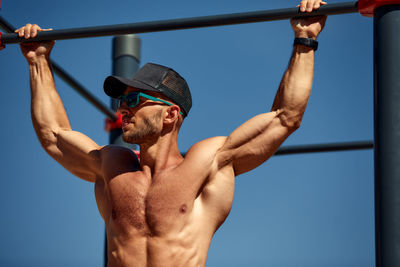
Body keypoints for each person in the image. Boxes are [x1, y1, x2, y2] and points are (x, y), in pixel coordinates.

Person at [16, 0, 327, 266]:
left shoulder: (208, 162)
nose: (123, 109)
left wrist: (306, 38)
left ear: (170, 114)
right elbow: (53, 134)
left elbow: (285, 117)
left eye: (135, 100)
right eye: (122, 101)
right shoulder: (111, 165)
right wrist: (37, 60)